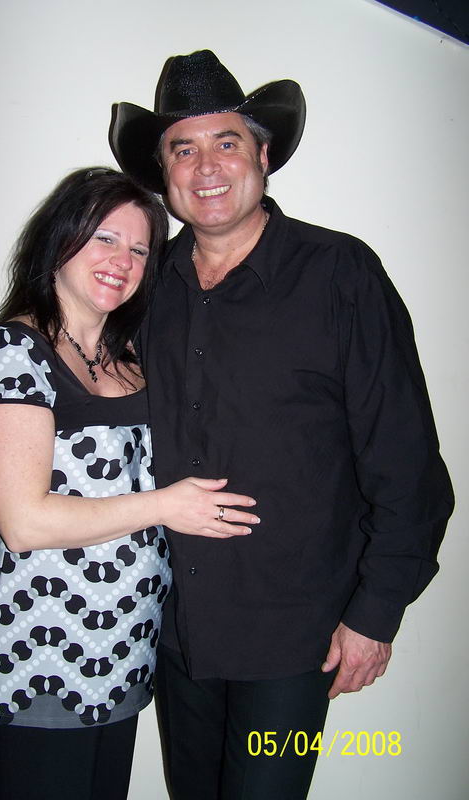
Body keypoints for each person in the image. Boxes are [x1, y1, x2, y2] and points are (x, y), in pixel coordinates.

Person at [110, 50, 454, 799]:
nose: (206, 166)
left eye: (226, 142)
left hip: (298, 640)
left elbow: (407, 463)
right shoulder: (145, 286)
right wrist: (27, 468)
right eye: (183, 148)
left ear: (262, 157)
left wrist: (376, 613)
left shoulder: (341, 275)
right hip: (174, 627)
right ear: (163, 172)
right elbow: (100, 397)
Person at [0, 166, 261, 800]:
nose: (122, 261)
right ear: (59, 241)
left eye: (140, 250)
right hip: (37, 649)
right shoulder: (13, 349)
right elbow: (25, 523)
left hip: (122, 643)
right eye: (104, 238)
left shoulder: (131, 359)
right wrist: (166, 506)